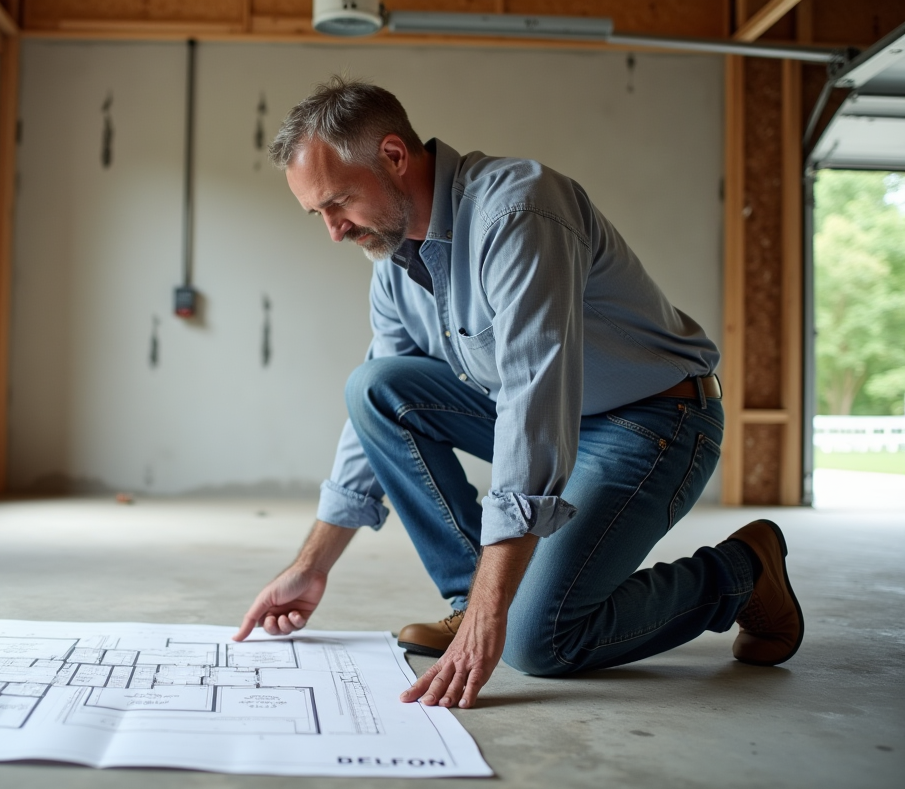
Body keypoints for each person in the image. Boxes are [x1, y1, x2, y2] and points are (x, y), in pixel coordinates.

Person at [233, 77, 803, 710]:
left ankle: (743, 571)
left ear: (393, 156)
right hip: (557, 417)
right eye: (319, 214)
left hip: (655, 422)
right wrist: (312, 564)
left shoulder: (518, 211)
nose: (334, 231)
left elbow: (537, 403)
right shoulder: (393, 262)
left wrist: (499, 611)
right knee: (375, 386)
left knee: (540, 642)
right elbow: (380, 411)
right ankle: (470, 601)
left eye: (338, 203)